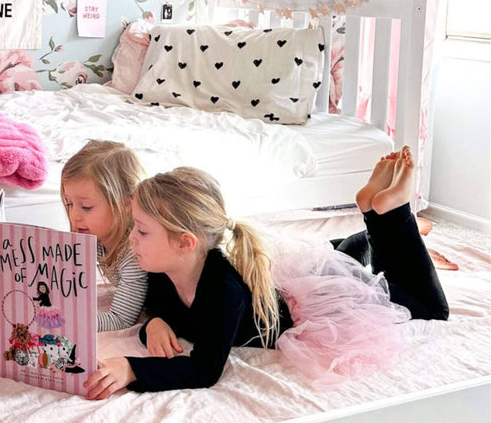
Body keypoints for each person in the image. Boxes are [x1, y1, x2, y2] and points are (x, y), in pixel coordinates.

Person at [84, 146, 448, 398]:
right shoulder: (161, 271)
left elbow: (205, 370)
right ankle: (375, 215)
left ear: (185, 243)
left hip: (315, 310)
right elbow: (162, 313)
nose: (131, 240)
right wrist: (154, 324)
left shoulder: (222, 288)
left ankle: (394, 210)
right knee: (347, 257)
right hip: (292, 285)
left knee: (424, 306)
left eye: (142, 231)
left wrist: (131, 369)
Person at [61, 140, 148, 332]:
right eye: (69, 204)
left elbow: (120, 320)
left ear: (126, 204)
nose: (74, 215)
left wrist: (67, 321)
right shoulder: (97, 236)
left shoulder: (133, 255)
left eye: (86, 207)